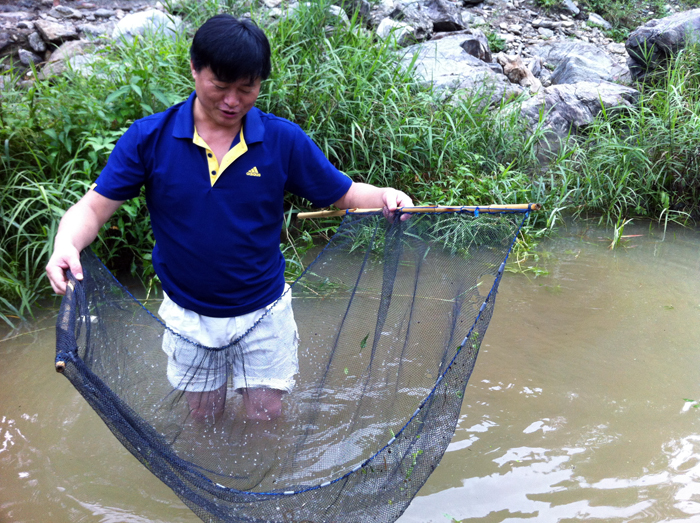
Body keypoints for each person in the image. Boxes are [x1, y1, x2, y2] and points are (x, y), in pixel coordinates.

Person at [45, 14, 413, 424]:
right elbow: (93, 207)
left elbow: (343, 193)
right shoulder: (149, 138)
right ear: (194, 69)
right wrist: (66, 244)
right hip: (188, 313)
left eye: (246, 88)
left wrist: (383, 196)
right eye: (219, 86)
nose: (232, 101)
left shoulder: (281, 139)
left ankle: (264, 482)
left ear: (260, 83)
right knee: (202, 415)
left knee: (266, 415)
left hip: (263, 311)